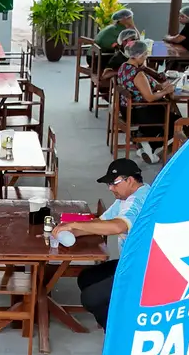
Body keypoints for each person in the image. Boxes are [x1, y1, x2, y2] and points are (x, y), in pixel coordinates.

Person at [52, 158, 150, 330]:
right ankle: (116, 320)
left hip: (145, 269)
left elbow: (118, 226)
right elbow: (102, 222)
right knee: (86, 277)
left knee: (91, 298)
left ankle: (124, 333)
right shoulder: (125, 198)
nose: (110, 188)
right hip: (130, 262)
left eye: (114, 183)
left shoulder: (139, 200)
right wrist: (71, 230)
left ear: (130, 180)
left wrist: (74, 224)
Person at [116, 38, 175, 164]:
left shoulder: (123, 67)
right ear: (139, 55)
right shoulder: (138, 74)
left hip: (126, 108)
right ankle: (151, 146)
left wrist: (159, 87)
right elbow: (149, 98)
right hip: (140, 111)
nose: (145, 58)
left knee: (165, 111)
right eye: (145, 55)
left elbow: (141, 87)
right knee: (174, 120)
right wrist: (166, 91)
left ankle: (145, 141)